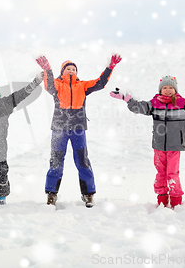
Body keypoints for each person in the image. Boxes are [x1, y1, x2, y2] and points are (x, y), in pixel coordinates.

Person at [110, 75, 185, 209]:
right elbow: (139, 107)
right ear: (160, 90)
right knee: (161, 173)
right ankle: (162, 202)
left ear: (175, 90)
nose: (167, 90)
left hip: (174, 145)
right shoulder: (154, 104)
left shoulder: (182, 104)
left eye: (170, 87)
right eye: (165, 87)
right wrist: (127, 99)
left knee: (172, 173)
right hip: (159, 145)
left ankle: (176, 202)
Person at [36, 54, 122, 208]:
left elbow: (100, 83)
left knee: (82, 161)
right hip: (59, 128)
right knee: (56, 162)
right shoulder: (57, 85)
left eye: (73, 69)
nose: (71, 71)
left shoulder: (82, 85)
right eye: (68, 69)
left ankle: (88, 194)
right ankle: (51, 194)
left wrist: (110, 67)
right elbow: (48, 85)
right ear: (63, 71)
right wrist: (47, 68)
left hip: (78, 129)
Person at [0, 73, 43, 207]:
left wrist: (35, 82)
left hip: (0, 146)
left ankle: (1, 199)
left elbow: (22, 93)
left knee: (1, 172)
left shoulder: (5, 103)